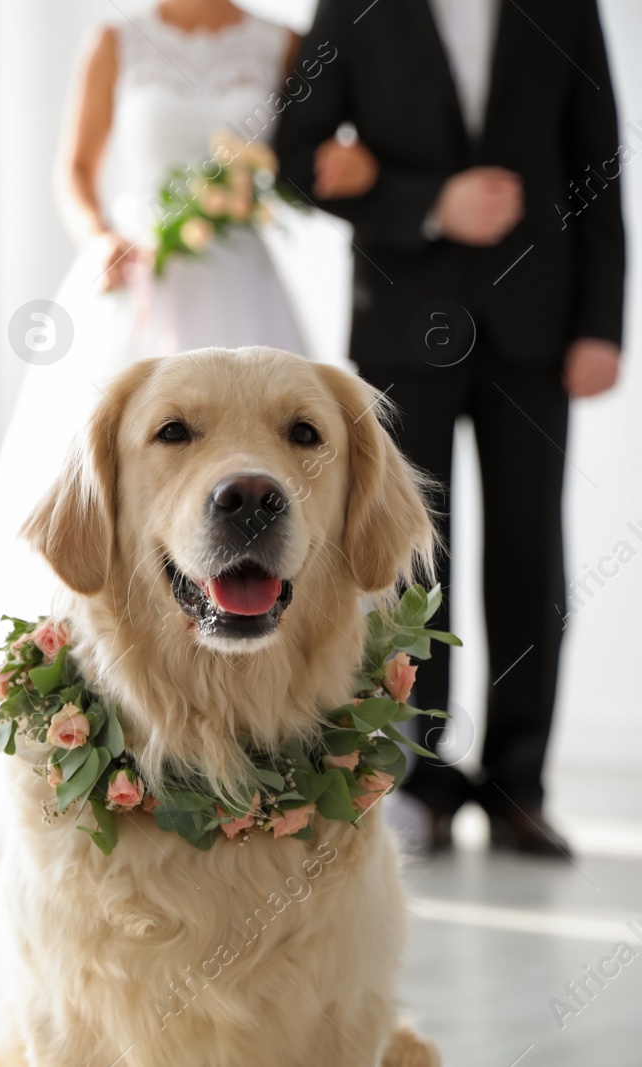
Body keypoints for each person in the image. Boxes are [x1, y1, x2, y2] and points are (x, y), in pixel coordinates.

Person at [0, 0, 308, 854]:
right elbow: (73, 169)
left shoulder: (283, 43)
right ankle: (96, 747)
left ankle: (266, 759)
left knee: (272, 485)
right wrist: (100, 232)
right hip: (138, 280)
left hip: (243, 283)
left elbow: (313, 161)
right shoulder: (118, 40)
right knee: (105, 506)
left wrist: (272, 181)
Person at [274, 0, 625, 856]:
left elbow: (600, 159)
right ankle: (415, 778)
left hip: (536, 328)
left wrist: (602, 324)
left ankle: (520, 783)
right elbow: (293, 157)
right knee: (406, 557)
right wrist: (430, 203)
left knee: (528, 551)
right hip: (402, 325)